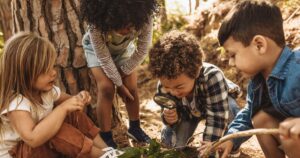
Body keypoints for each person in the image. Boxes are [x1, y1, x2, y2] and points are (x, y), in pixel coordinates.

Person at [0, 32, 123, 158]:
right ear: (23, 74)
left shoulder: (47, 92)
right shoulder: (17, 103)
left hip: (40, 150)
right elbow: (33, 139)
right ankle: (101, 156)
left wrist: (80, 98)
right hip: (17, 154)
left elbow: (72, 104)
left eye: (52, 66)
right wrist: (62, 108)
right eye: (44, 70)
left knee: (72, 114)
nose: (53, 73)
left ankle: (108, 151)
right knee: (56, 129)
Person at [217, 1, 300, 158]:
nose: (230, 63)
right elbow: (248, 114)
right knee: (260, 118)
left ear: (259, 45)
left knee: (291, 136)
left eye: (233, 55)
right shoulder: (258, 83)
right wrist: (231, 139)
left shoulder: (297, 66)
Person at [148, 30, 241, 157]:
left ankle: (231, 145)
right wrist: (170, 119)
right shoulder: (165, 84)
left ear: (196, 72)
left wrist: (208, 149)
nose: (173, 92)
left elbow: (217, 117)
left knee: (232, 108)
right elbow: (168, 114)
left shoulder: (212, 77)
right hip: (188, 114)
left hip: (217, 106)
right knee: (171, 145)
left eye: (179, 86)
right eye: (167, 87)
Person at [80, 0, 158, 148]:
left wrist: (122, 76)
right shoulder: (96, 25)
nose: (125, 30)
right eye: (120, 26)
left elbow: (142, 51)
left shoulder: (144, 17)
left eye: (129, 26)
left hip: (123, 51)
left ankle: (135, 128)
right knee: (107, 88)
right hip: (97, 52)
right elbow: (103, 58)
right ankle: (106, 135)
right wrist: (119, 85)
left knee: (132, 86)